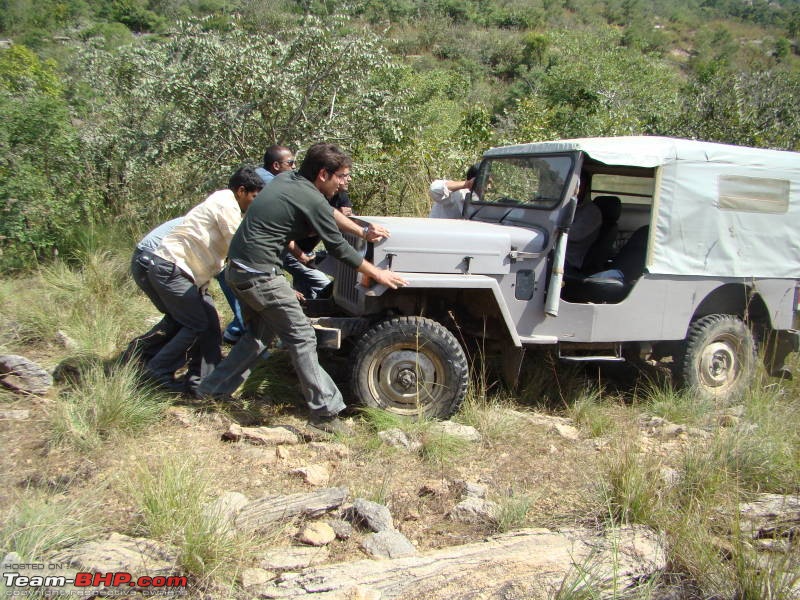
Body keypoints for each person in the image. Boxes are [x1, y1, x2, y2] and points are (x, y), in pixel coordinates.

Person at [199, 143, 407, 435]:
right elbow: (337, 247)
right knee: (302, 335)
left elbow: (328, 213)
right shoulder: (308, 195)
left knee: (259, 336)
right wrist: (377, 273)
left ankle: (211, 390)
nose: (345, 182)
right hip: (259, 275)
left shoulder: (289, 179)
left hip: (238, 270)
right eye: (342, 176)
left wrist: (362, 231)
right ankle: (325, 414)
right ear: (323, 174)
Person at [143, 167, 263, 395]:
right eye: (254, 196)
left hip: (185, 273)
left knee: (210, 324)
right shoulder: (226, 203)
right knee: (196, 324)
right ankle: (156, 371)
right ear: (241, 191)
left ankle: (201, 383)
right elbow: (238, 244)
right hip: (172, 268)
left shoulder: (228, 203)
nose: (254, 202)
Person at [220, 145, 297, 344]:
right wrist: (282, 287)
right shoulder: (226, 205)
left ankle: (242, 335)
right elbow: (241, 248)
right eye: (291, 163)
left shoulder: (234, 201)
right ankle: (240, 333)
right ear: (241, 191)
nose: (294, 167)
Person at [122, 217, 184, 364]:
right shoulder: (208, 221)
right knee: (187, 318)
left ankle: (142, 357)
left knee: (181, 317)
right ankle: (142, 357)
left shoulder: (202, 216)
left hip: (148, 261)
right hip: (150, 262)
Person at [283, 172, 354, 299]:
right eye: (344, 176)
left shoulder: (341, 196)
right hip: (290, 250)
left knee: (305, 292)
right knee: (326, 286)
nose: (349, 179)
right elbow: (288, 234)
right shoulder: (312, 197)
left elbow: (346, 223)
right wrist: (301, 256)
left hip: (307, 251)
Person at [564, 179, 602, 274]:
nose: (574, 188)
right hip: (558, 254)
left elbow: (574, 235)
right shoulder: (572, 206)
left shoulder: (592, 211)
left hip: (570, 259)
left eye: (578, 185)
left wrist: (554, 227)